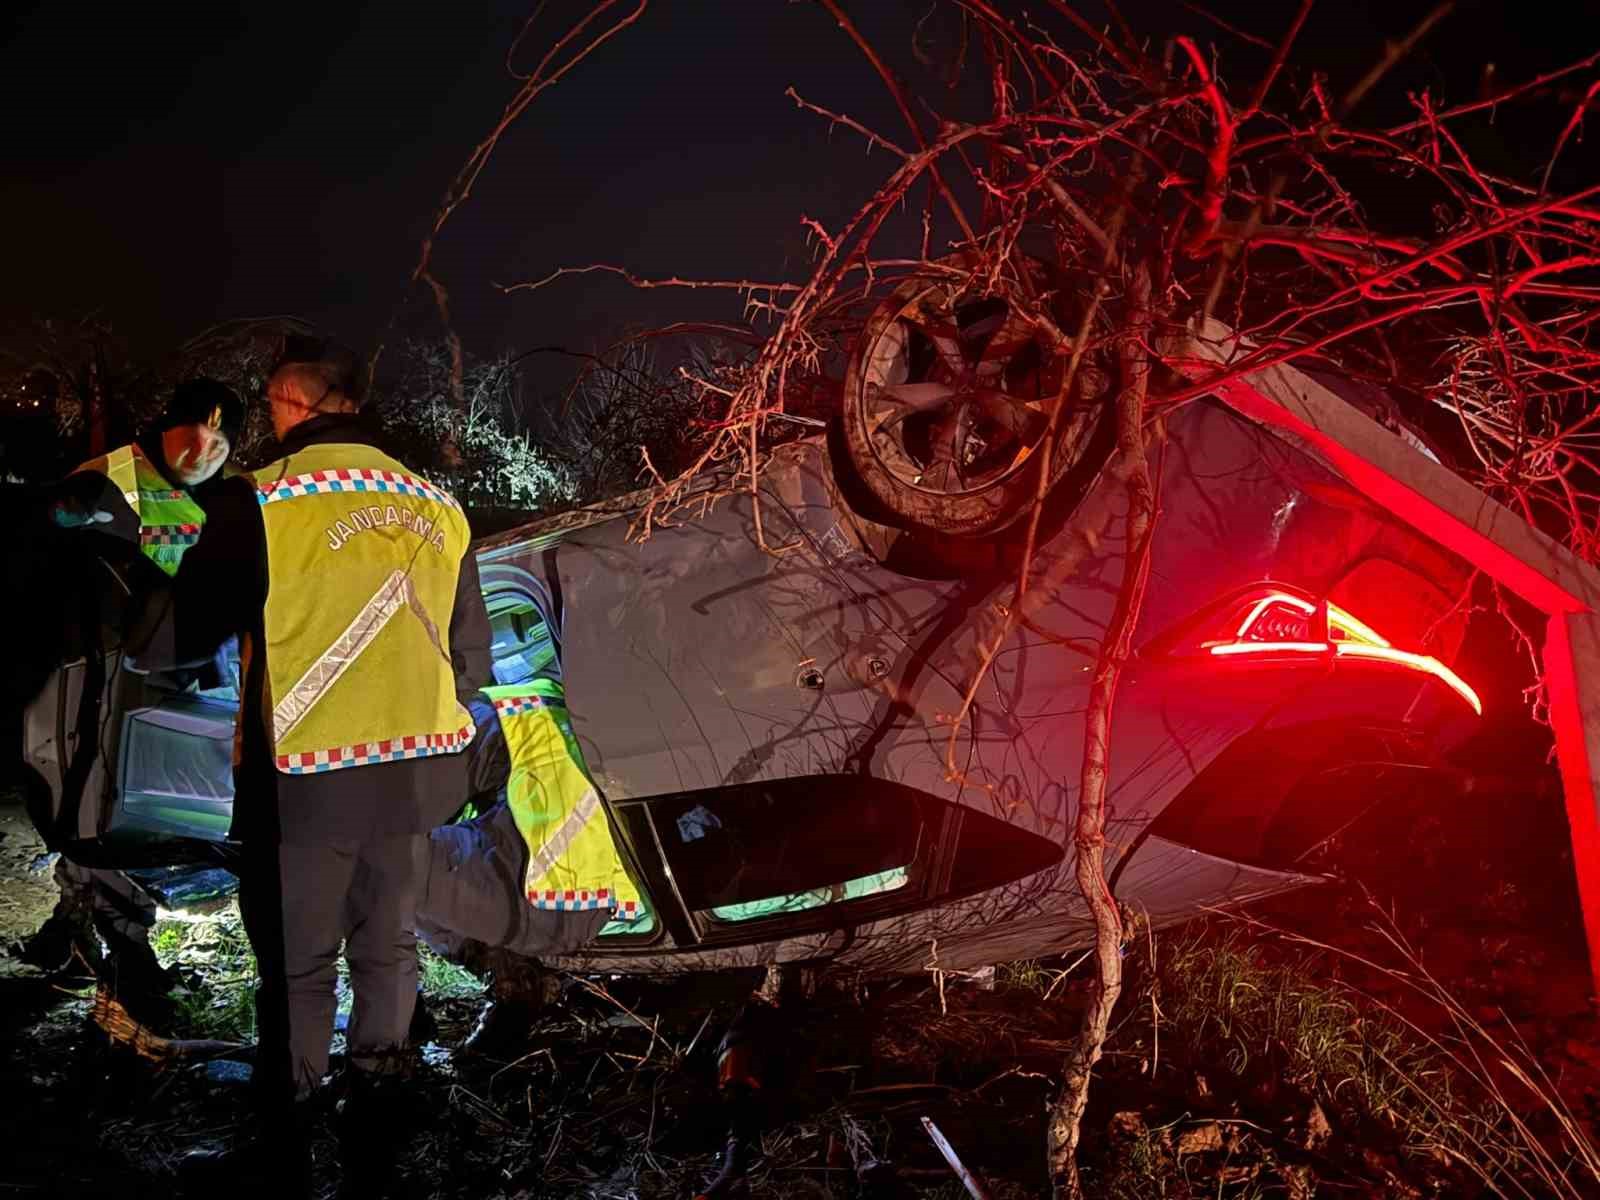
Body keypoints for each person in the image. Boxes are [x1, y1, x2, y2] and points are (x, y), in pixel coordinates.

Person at [139, 338, 491, 1197]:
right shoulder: (439, 505)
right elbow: (470, 659)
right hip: (413, 777)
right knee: (388, 950)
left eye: (268, 405)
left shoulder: (260, 501)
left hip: (304, 779)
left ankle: (289, 1141)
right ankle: (376, 1133)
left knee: (299, 967)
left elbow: (174, 638)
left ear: (292, 403)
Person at [15, 380, 242, 1021]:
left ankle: (76, 928)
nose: (200, 453)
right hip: (96, 678)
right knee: (96, 803)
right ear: (163, 428)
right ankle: (122, 954)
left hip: (168, 675)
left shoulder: (224, 496)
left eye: (218, 444)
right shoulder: (108, 480)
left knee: (113, 810)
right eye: (190, 436)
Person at [416, 671, 643, 1056]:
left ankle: (511, 987)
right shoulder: (534, 714)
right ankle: (512, 985)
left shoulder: (467, 734)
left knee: (382, 868)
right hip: (577, 901)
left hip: (543, 898)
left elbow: (398, 828)